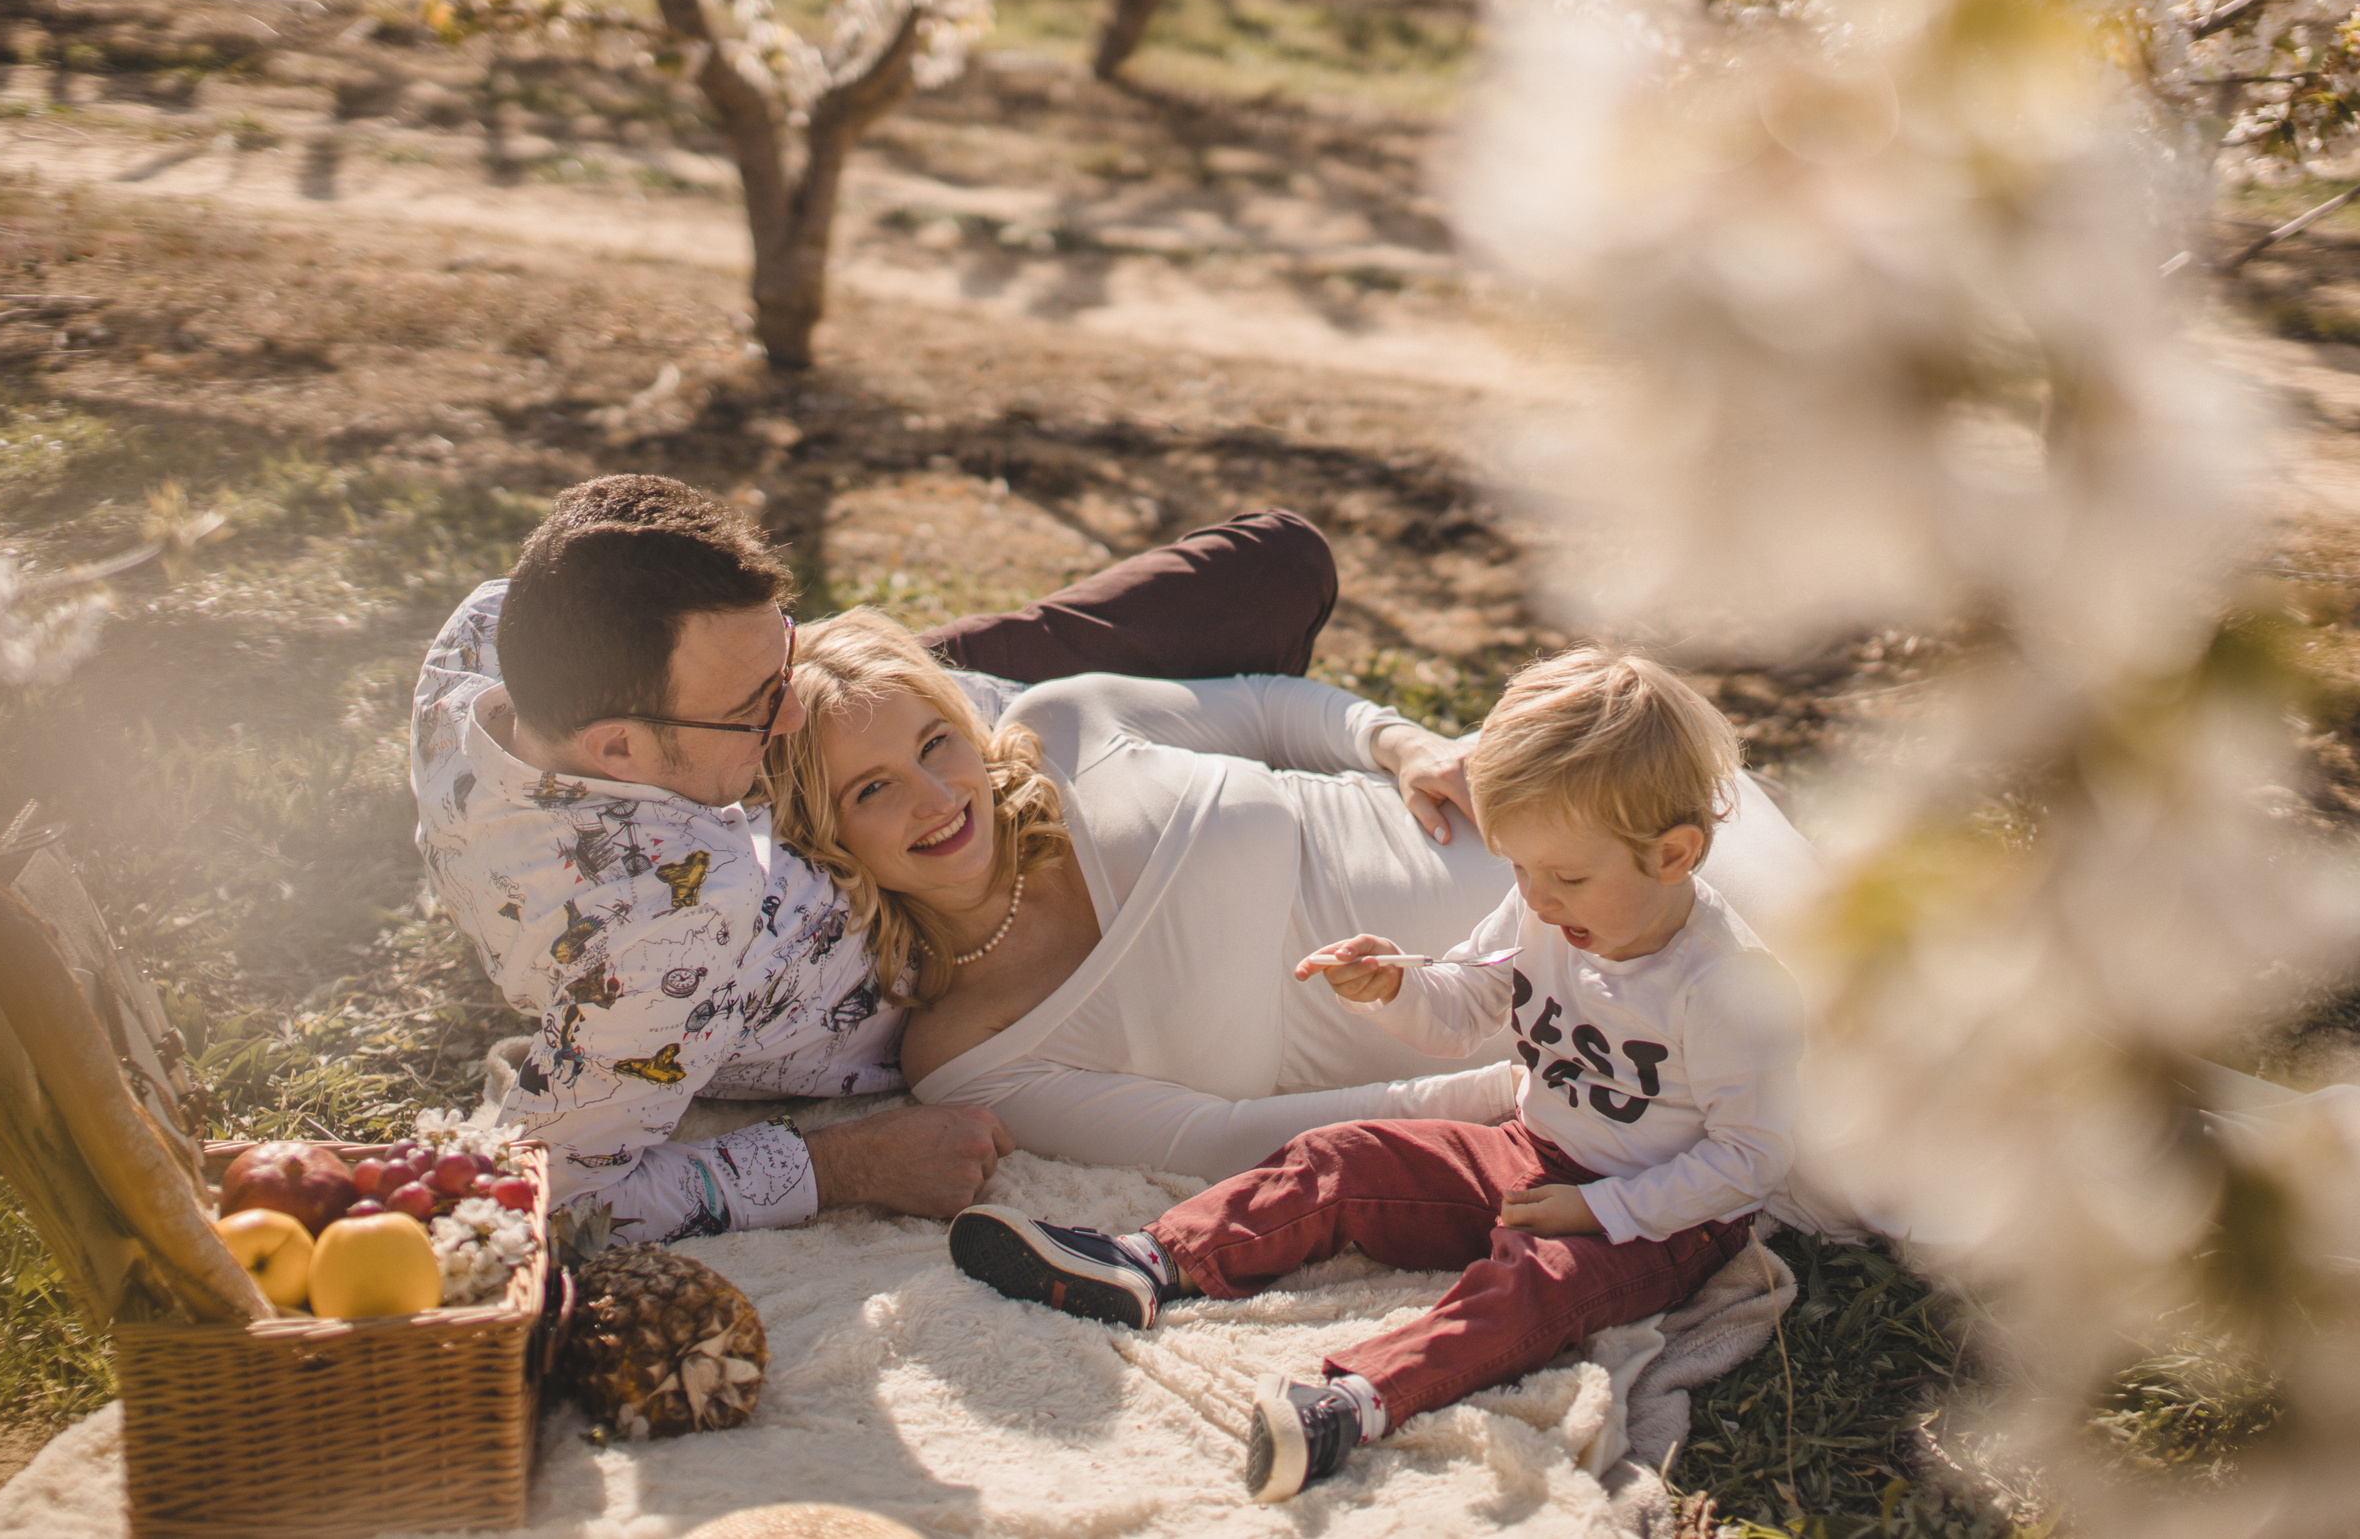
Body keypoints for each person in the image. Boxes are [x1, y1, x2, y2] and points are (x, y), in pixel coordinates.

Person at [941, 647, 1807, 1501]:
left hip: (1656, 1216)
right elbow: (1470, 1000)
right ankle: (1148, 1261)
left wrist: (1602, 1209)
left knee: (1533, 1289)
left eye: (1566, 876)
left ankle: (1353, 1399)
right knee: (1346, 1155)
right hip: (1531, 1149)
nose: (1537, 897)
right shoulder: (1549, 911)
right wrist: (1395, 986)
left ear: (1673, 854)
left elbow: (1747, 1162)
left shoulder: (1729, 989)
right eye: (1520, 870)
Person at [409, 473, 1341, 1245]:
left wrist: (841, 685)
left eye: (780, 654)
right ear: (616, 750)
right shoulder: (659, 937)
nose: (790, 716)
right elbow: (544, 1194)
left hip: (964, 731)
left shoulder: (490, 637)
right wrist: (839, 1163)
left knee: (1279, 565)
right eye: (755, 709)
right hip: (984, 900)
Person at [761, 614, 1823, 1183]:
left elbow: (1271, 711)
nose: (935, 796)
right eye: (871, 789)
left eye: (935, 742)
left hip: (1550, 858)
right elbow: (1216, 1141)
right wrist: (1518, 1090)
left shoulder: (1069, 727)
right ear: (826, 838)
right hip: (1558, 1050)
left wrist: (1394, 740)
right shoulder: (964, 1054)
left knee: (1852, 978)